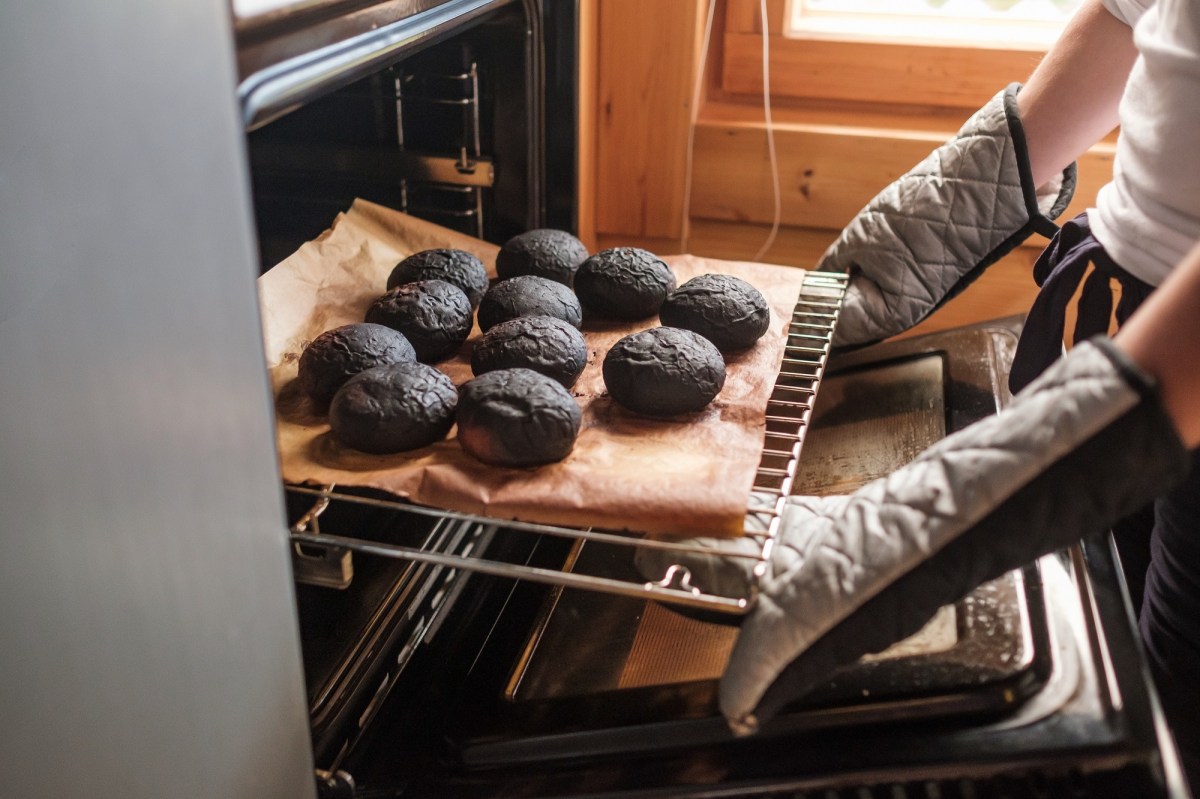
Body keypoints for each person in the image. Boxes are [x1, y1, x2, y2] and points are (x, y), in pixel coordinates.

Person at [648, 0, 1200, 787]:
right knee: (1126, 645)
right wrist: (950, 210)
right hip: (1127, 315)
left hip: (1177, 360)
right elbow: (1138, 13)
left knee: (1179, 697)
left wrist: (921, 517)